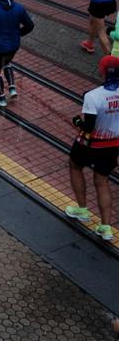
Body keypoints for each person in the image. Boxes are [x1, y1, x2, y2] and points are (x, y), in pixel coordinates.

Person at [66, 55, 119, 242]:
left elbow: (88, 126)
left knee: (74, 166)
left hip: (89, 144)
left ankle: (82, 209)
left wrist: (76, 120)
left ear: (103, 71)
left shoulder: (93, 96)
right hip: (112, 145)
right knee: (102, 181)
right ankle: (105, 227)